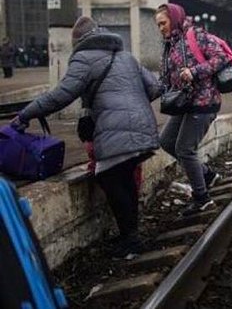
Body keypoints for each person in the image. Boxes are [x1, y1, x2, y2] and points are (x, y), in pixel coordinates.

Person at [12, 16, 160, 258]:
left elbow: (61, 95)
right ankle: (130, 235)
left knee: (110, 177)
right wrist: (132, 108)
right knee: (122, 178)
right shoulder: (126, 56)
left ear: (78, 40)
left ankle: (131, 240)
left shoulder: (84, 57)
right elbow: (154, 87)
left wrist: (26, 114)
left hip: (117, 131)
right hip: (145, 128)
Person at [156, 3, 225, 217]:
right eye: (158, 25)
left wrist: (194, 72)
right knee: (166, 141)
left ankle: (202, 198)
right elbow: (167, 77)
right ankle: (206, 176)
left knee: (185, 149)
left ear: (174, 19)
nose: (160, 28)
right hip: (186, 102)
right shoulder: (171, 43)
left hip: (204, 102)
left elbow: (220, 58)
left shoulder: (195, 35)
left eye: (163, 23)